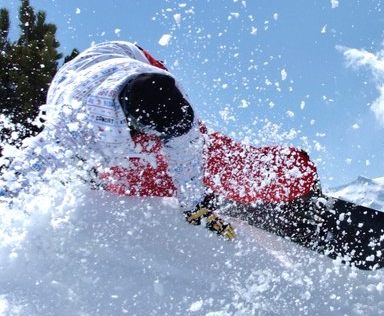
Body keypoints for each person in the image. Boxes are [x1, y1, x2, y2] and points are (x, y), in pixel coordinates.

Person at [3, 41, 235, 239]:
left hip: (126, 57)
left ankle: (247, 175)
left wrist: (194, 205)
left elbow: (186, 149)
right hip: (78, 87)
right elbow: (26, 171)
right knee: (134, 175)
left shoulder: (171, 91)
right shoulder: (73, 125)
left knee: (203, 147)